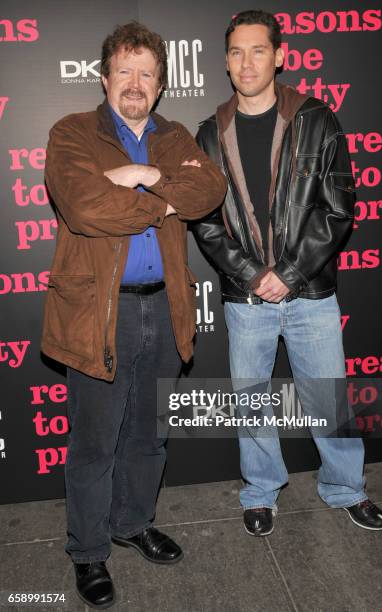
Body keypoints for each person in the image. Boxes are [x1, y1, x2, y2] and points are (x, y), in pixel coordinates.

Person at [42, 21, 226, 610]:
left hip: (165, 309)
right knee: (95, 444)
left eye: (147, 74)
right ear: (105, 78)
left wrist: (145, 176)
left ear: (161, 84)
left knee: (149, 437)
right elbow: (84, 206)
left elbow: (210, 191)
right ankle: (89, 551)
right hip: (100, 315)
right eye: (126, 71)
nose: (136, 83)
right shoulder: (72, 133)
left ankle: (132, 521)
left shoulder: (172, 137)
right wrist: (163, 197)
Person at [192, 10, 382, 538]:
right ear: (226, 62)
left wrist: (293, 274)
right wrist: (256, 276)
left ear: (279, 56)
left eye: (258, 50)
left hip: (312, 293)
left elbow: (339, 206)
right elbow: (205, 222)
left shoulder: (318, 119)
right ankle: (259, 492)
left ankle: (346, 488)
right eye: (236, 52)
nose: (246, 62)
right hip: (246, 296)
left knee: (328, 396)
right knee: (252, 402)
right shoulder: (210, 133)